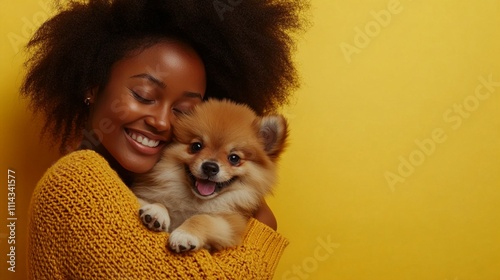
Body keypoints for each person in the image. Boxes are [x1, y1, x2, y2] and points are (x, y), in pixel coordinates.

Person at [22, 0, 307, 278]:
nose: (161, 121)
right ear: (93, 87)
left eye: (183, 111)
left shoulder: (129, 184)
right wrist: (263, 232)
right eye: (143, 95)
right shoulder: (76, 181)